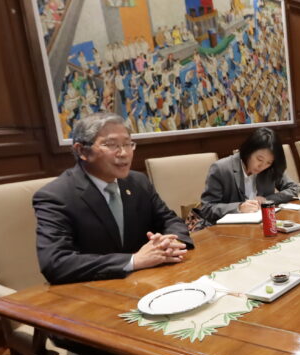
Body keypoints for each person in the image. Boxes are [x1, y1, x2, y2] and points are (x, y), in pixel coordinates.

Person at [34, 113, 192, 285]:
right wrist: (133, 261)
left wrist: (172, 242)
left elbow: (170, 219)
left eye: (127, 144)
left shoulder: (138, 182)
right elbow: (56, 263)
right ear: (82, 151)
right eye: (111, 145)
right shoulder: (56, 196)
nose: (123, 153)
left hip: (147, 282)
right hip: (92, 291)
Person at [199, 127, 298, 222]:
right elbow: (207, 209)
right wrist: (239, 207)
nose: (262, 166)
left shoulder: (270, 169)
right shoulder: (221, 169)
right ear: (249, 151)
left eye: (268, 162)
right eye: (259, 159)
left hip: (263, 225)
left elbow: (295, 189)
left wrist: (267, 200)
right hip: (229, 231)